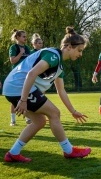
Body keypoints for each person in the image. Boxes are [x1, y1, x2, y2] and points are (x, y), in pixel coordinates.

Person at [2, 26, 91, 162]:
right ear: (68, 47)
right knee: (54, 113)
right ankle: (68, 150)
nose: (80, 54)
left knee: (39, 121)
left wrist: (73, 111)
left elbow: (61, 90)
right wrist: (23, 100)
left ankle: (13, 153)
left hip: (13, 88)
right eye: (79, 50)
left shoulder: (59, 66)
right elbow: (31, 74)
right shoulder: (53, 56)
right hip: (17, 87)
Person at [8, 29, 32, 126]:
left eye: (26, 36)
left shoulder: (27, 48)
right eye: (23, 36)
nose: (25, 38)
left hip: (26, 75)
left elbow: (30, 61)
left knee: (25, 97)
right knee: (15, 98)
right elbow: (12, 61)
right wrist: (20, 53)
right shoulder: (14, 47)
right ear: (17, 37)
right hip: (16, 75)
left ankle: (27, 118)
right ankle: (12, 120)